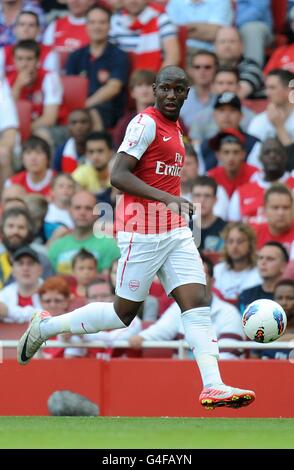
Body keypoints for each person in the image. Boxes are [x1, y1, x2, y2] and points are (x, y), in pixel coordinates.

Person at [17, 65, 255, 410]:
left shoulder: (176, 129)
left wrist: (171, 205)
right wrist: (168, 198)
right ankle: (46, 327)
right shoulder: (144, 124)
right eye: (166, 89)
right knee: (122, 314)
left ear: (187, 94)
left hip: (173, 230)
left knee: (196, 302)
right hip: (141, 232)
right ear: (154, 90)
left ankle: (213, 385)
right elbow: (118, 175)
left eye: (179, 90)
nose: (172, 95)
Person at [129, 255, 245, 360]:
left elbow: (228, 357)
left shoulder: (229, 313)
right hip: (182, 377)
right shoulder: (178, 307)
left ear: (213, 281)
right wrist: (141, 338)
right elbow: (162, 329)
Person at [238, 241, 289, 314]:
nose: (263, 262)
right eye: (260, 258)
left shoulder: (291, 294)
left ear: (284, 266)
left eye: (270, 259)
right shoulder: (246, 295)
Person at [0, 246, 43, 323]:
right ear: (12, 270)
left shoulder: (51, 290)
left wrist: (8, 312)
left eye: (30, 263)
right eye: (20, 264)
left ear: (40, 269)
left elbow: (47, 316)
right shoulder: (4, 294)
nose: (25, 268)